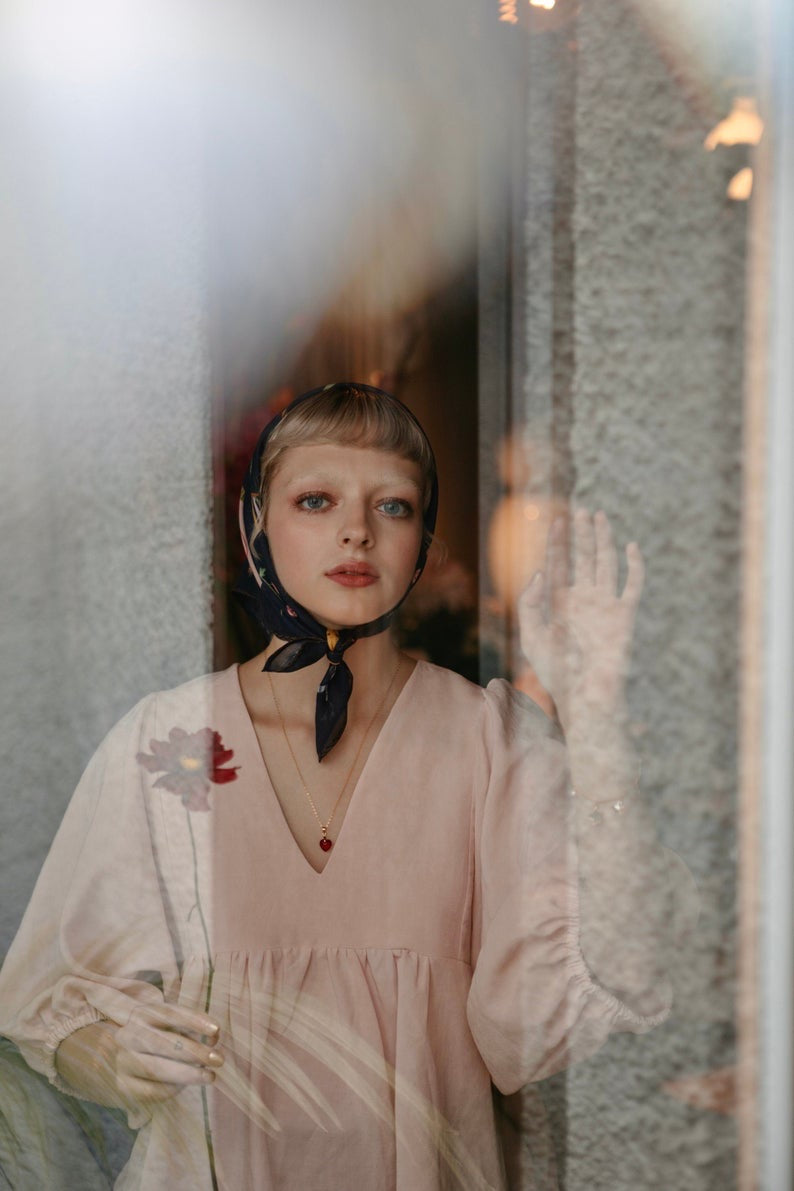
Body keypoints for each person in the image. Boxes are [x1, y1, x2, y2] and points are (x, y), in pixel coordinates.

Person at [0, 383, 678, 1190]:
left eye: (391, 505)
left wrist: (595, 712)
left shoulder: (489, 741)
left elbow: (559, 1015)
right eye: (316, 499)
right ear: (258, 523)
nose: (356, 528)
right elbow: (46, 1000)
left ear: (423, 538)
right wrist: (109, 1054)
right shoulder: (166, 743)